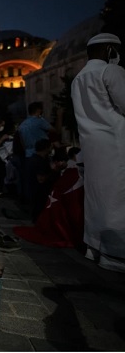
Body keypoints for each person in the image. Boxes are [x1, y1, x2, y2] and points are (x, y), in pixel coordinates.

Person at [71, 32, 125, 273]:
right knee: (116, 200)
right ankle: (114, 254)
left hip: (92, 147)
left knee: (95, 199)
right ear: (109, 50)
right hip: (115, 143)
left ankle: (93, 247)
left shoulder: (78, 79)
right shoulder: (110, 71)